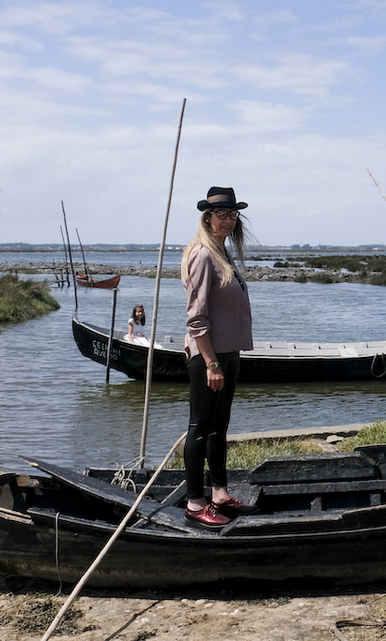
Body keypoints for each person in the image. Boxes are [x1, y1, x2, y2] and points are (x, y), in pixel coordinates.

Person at [180, 186, 259, 529]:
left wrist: (224, 360)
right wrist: (211, 363)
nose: (228, 220)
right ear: (208, 217)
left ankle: (219, 494)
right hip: (208, 357)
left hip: (228, 354)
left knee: (218, 428)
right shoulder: (202, 255)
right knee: (200, 428)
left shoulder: (221, 253)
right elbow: (196, 318)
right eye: (221, 214)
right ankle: (195, 503)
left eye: (233, 214)